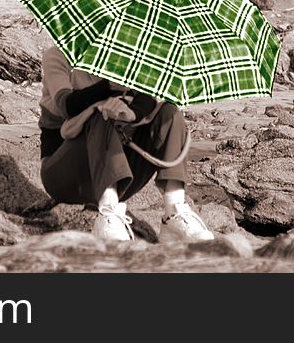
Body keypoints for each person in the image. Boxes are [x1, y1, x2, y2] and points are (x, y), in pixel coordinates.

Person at [39, 44, 214, 243]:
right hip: (65, 174)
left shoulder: (124, 55)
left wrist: (130, 113)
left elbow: (148, 99)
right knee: (101, 114)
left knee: (168, 112)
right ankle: (108, 211)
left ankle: (174, 212)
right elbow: (66, 105)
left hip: (120, 178)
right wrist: (108, 88)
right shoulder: (58, 55)